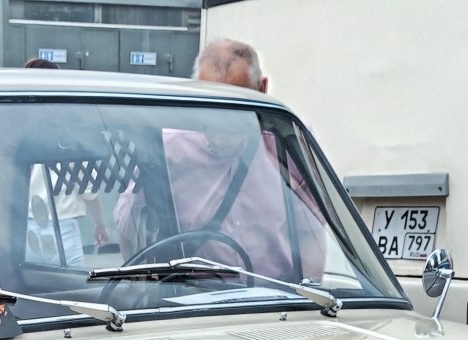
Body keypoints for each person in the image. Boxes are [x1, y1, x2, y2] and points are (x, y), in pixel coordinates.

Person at [112, 39, 325, 282]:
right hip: (201, 308)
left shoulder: (286, 141)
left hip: (279, 305)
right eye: (211, 103)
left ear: (262, 89)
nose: (222, 118)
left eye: (236, 102)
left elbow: (313, 232)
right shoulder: (168, 148)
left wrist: (308, 299)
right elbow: (130, 229)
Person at [22, 56, 111, 265]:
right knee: (70, 291)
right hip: (63, 231)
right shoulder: (70, 137)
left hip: (22, 230)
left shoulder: (18, 133)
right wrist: (100, 224)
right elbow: (89, 191)